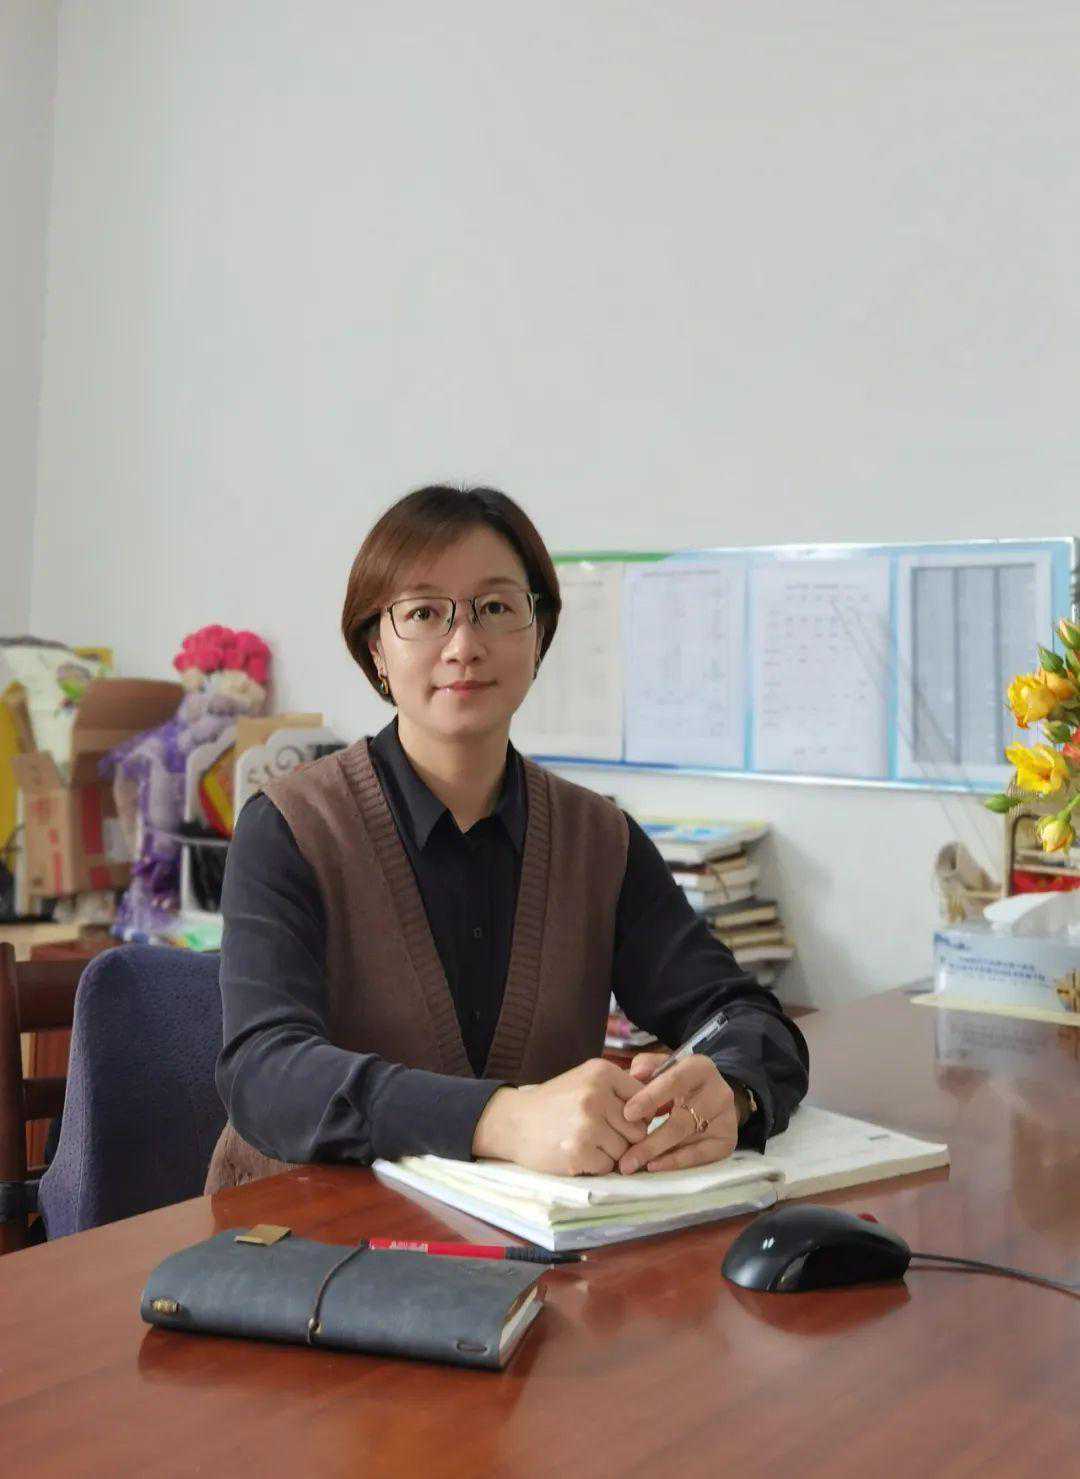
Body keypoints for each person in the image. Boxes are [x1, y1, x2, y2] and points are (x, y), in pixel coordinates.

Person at [204, 486, 808, 1192]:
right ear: (376, 649)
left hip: (525, 1239)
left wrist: (731, 1090)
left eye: (495, 608)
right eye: (424, 613)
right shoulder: (291, 827)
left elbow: (744, 1016)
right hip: (302, 1233)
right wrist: (501, 1118)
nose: (464, 645)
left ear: (538, 634)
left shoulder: (599, 840)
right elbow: (264, 1072)